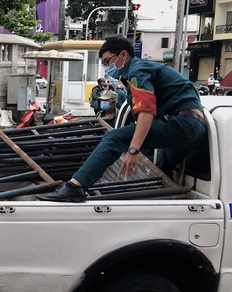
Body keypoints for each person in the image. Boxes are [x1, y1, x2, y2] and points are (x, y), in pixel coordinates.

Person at [38, 36, 207, 203]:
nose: (107, 67)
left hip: (182, 124)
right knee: (161, 168)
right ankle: (164, 200)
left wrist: (133, 150)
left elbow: (146, 112)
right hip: (193, 129)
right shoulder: (145, 70)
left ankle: (75, 187)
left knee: (114, 137)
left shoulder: (137, 71)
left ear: (123, 55)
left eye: (108, 61)